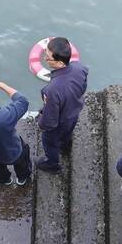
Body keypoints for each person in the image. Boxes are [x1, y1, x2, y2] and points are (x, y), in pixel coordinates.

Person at [36, 37, 89, 173]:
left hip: (60, 121)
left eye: (48, 57)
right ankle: (66, 146)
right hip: (74, 112)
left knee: (49, 143)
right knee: (67, 133)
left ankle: (52, 165)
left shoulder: (52, 90)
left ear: (59, 62)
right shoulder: (80, 68)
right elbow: (82, 88)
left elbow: (50, 119)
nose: (45, 59)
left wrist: (42, 126)